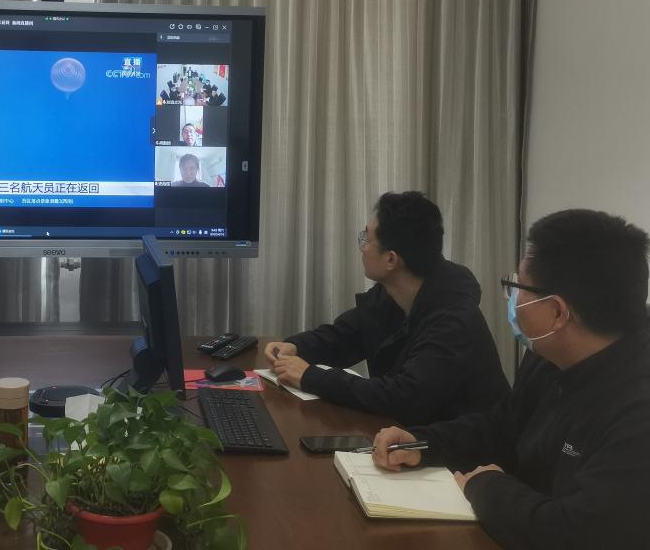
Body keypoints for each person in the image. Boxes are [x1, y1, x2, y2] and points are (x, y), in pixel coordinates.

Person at [372, 209, 650, 548]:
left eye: (517, 287)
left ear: (557, 312)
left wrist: (485, 485)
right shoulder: (549, 355)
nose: (513, 300)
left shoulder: (638, 411)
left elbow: (573, 533)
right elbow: (503, 426)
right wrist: (420, 442)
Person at [265, 191, 508, 425]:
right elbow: (345, 336)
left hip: (462, 448)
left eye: (367, 239)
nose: (362, 248)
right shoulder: (392, 292)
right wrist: (297, 347)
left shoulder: (454, 318)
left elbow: (404, 397)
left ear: (391, 259)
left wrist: (311, 377)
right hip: (407, 436)